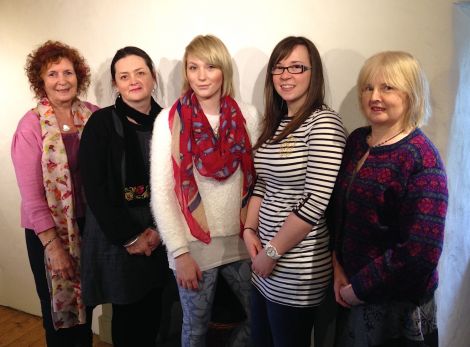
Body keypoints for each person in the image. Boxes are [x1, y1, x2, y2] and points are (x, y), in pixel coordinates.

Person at [329, 51, 448, 347]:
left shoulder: (421, 159)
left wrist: (360, 288)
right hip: (347, 290)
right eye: (368, 87)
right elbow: (340, 214)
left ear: (411, 94)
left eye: (388, 87)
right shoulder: (357, 141)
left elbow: (420, 252)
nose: (375, 96)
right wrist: (337, 266)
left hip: (395, 310)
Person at [150, 34, 260, 347]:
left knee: (259, 319)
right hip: (193, 244)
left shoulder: (248, 115)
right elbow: (162, 193)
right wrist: (180, 252)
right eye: (193, 67)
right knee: (196, 329)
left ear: (223, 70)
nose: (201, 76)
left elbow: (258, 181)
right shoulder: (169, 120)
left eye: (210, 67)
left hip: (241, 238)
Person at [241, 36, 346, 347]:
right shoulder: (275, 123)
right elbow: (262, 182)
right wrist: (249, 229)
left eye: (297, 67)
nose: (286, 75)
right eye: (279, 67)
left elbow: (315, 201)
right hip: (264, 261)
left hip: (296, 268)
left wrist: (273, 252)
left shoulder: (323, 123)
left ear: (314, 74)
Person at [78, 46, 169, 347]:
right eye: (124, 76)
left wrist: (157, 230)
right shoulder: (101, 123)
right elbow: (94, 188)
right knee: (128, 320)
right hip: (118, 235)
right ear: (116, 84)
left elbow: (178, 182)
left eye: (140, 72)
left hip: (162, 231)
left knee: (159, 312)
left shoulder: (169, 122)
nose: (133, 81)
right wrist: (131, 237)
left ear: (153, 77)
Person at [11, 40, 97, 346]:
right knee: (58, 315)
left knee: (88, 304)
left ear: (79, 76)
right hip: (49, 232)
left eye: (68, 72)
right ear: (41, 81)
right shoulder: (30, 126)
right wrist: (54, 247)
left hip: (90, 227)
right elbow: (31, 196)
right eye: (52, 74)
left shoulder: (94, 115)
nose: (62, 80)